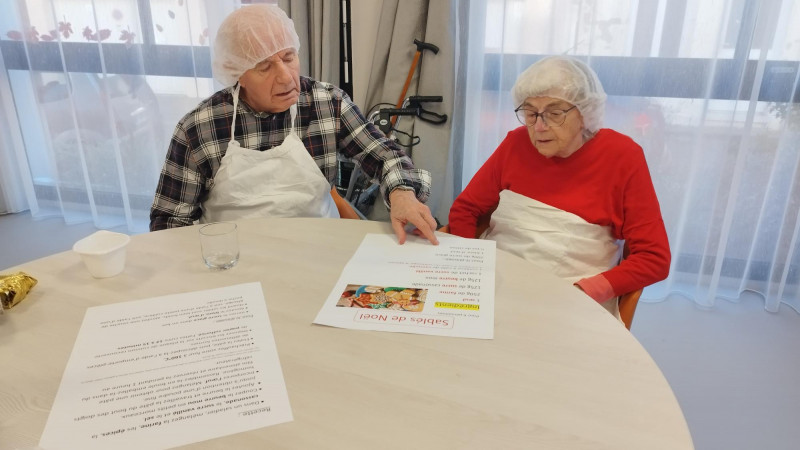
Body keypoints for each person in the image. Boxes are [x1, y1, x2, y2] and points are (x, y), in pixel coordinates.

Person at [149, 4, 438, 245]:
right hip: (235, 264)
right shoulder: (200, 128)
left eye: (289, 58)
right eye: (265, 67)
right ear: (237, 73)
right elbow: (170, 222)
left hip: (320, 249)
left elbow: (385, 154)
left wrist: (401, 193)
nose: (287, 78)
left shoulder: (327, 104)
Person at [448, 56, 670, 319]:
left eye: (555, 113)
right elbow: (466, 209)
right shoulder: (515, 143)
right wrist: (470, 269)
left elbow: (654, 258)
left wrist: (585, 291)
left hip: (572, 297)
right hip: (497, 282)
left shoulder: (622, 156)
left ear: (586, 113)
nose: (539, 127)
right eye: (530, 113)